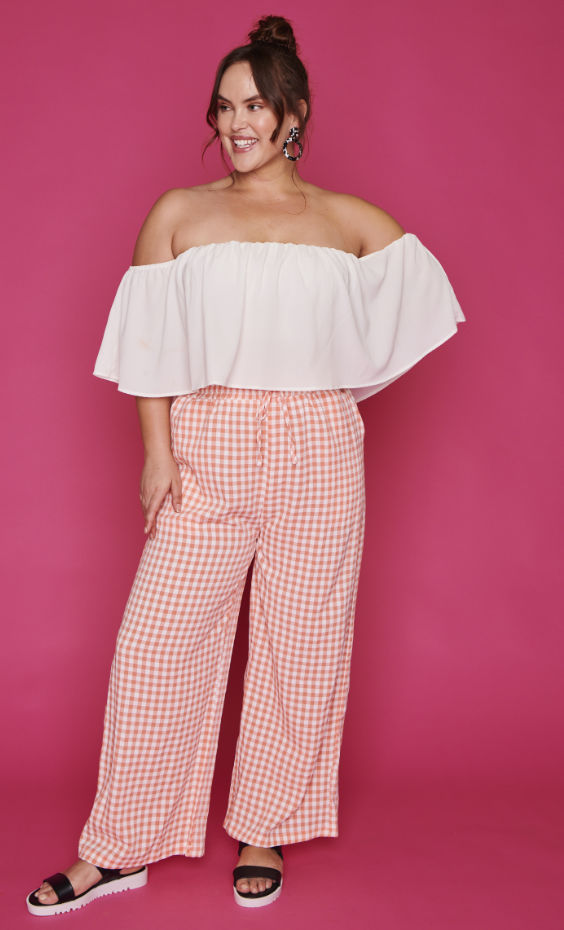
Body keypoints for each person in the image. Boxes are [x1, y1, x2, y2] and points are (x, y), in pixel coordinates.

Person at [26, 13, 465, 916]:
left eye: (255, 105)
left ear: (294, 114)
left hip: (319, 447)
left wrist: (323, 396)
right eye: (224, 107)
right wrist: (157, 454)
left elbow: (418, 310)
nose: (236, 123)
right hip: (208, 440)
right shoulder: (179, 214)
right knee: (157, 645)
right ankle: (120, 846)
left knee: (302, 643)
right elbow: (148, 347)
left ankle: (266, 824)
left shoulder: (347, 221)